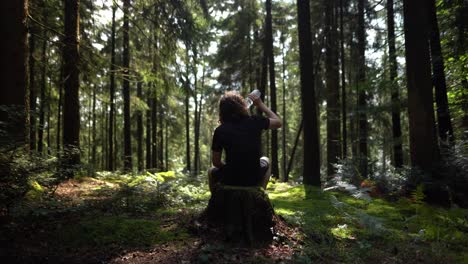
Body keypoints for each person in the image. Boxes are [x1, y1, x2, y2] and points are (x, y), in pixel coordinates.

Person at [208, 91, 282, 193]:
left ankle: (216, 200)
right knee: (266, 160)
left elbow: (216, 162)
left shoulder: (220, 130)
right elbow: (278, 122)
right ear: (242, 106)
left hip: (230, 178)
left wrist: (230, 167)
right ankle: (259, 194)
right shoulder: (255, 121)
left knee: (210, 171)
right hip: (253, 177)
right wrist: (260, 104)